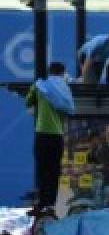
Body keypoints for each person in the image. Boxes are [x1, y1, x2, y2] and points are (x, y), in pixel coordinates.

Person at [25, 61, 74, 214]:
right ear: (62, 72)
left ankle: (41, 202)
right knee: (54, 170)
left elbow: (28, 101)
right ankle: (51, 204)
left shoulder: (40, 86)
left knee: (42, 169)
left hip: (42, 134)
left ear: (49, 71)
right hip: (57, 135)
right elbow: (69, 109)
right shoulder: (65, 88)